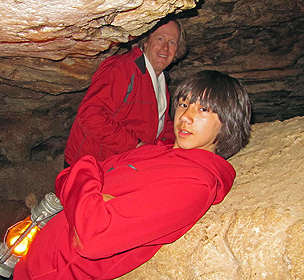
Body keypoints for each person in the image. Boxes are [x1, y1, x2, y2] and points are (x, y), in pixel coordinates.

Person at [14, 70, 251, 280]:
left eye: (203, 109)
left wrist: (85, 169)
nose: (185, 117)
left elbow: (93, 236)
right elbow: (63, 179)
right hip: (33, 260)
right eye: (183, 104)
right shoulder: (155, 151)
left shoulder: (195, 184)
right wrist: (91, 195)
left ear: (228, 123)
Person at [64, 18, 187, 167]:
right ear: (146, 41)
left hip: (123, 164)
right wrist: (136, 146)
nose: (165, 48)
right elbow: (90, 114)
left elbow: (160, 123)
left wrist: (183, 141)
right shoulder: (122, 68)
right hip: (91, 167)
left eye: (172, 42)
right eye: (160, 39)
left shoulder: (159, 79)